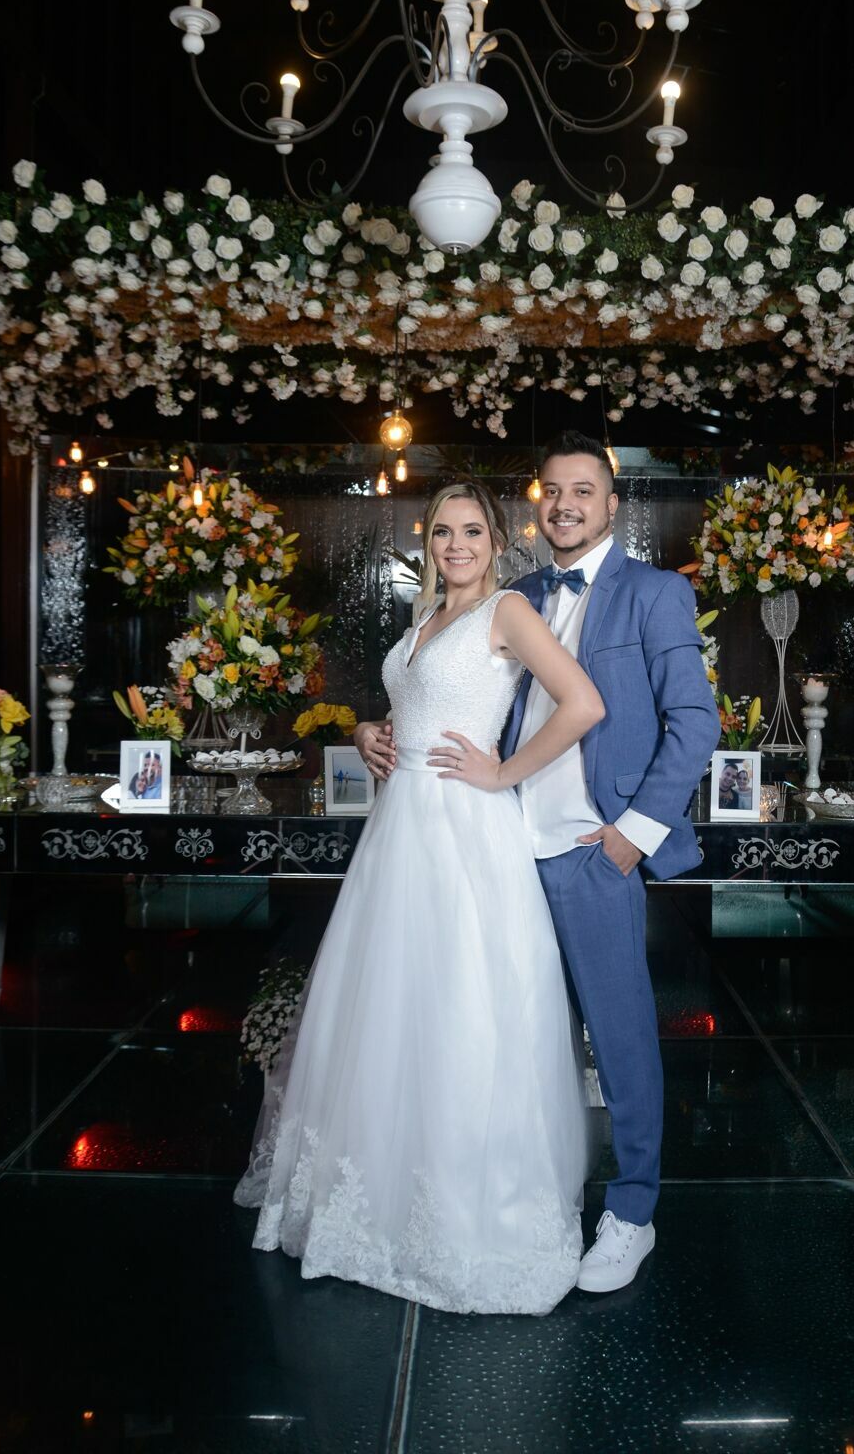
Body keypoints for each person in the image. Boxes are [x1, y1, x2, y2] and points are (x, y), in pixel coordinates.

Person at [234, 480, 604, 1316]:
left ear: (499, 540)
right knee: (392, 1009)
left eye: (471, 531)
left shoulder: (509, 611)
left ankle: (463, 1212)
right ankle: (385, 1199)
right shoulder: (421, 622)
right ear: (428, 541)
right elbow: (420, 704)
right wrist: (369, 731)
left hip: (465, 836)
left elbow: (582, 704)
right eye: (442, 532)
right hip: (399, 837)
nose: (456, 546)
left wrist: (504, 772)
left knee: (463, 1005)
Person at [495, 430, 721, 1293]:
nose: (564, 505)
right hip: (506, 849)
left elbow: (694, 723)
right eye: (552, 491)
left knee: (620, 1037)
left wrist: (633, 832)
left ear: (612, 503)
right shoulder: (512, 595)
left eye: (582, 491)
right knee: (521, 1034)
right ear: (535, 500)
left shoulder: (655, 594)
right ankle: (532, 1194)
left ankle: (631, 1213)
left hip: (594, 851)